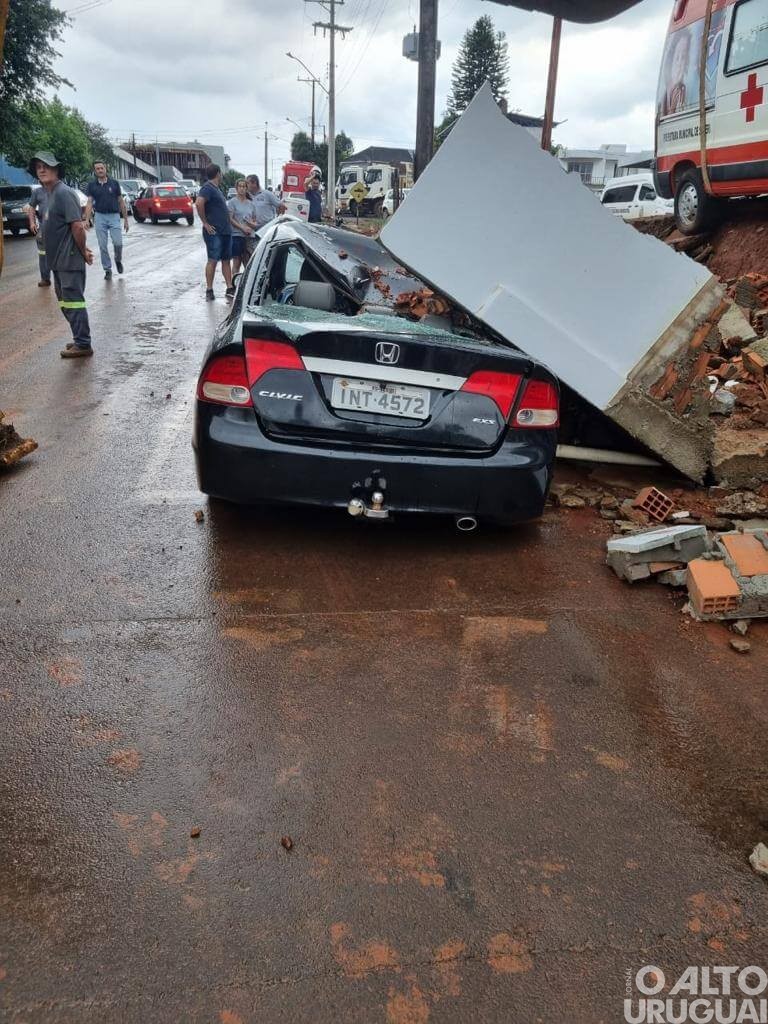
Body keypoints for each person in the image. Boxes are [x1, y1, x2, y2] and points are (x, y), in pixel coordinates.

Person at [28, 151, 95, 359]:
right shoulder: (48, 193)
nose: (42, 169)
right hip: (57, 260)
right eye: (39, 166)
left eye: (47, 166)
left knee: (73, 301)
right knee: (65, 301)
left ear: (57, 170)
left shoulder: (64, 192)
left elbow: (77, 226)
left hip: (69, 259)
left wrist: (83, 251)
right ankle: (79, 338)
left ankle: (83, 344)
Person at [84, 161, 129, 280]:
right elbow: (89, 203)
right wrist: (86, 219)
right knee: (102, 245)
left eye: (101, 168)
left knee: (118, 243)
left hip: (114, 216)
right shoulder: (92, 185)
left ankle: (118, 260)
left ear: (105, 169)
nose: (100, 170)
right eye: (97, 169)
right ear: (95, 171)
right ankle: (107, 269)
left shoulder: (114, 183)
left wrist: (125, 220)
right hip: (100, 217)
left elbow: (121, 201)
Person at [195, 164, 233, 301]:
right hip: (214, 232)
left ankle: (229, 287)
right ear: (218, 173)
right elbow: (199, 203)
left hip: (225, 231)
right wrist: (205, 223)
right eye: (221, 173)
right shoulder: (207, 188)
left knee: (226, 260)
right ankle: (209, 290)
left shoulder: (216, 189)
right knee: (212, 260)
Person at [227, 178, 258, 275]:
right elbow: (230, 219)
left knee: (249, 263)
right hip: (237, 235)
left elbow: (255, 221)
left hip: (249, 237)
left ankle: (246, 285)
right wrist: (242, 228)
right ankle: (234, 284)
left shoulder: (251, 204)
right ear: (236, 188)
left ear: (246, 188)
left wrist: (250, 225)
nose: (242, 188)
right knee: (237, 261)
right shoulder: (232, 202)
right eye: (240, 186)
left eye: (244, 186)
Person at [26, 175, 51, 287]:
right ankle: (45, 279)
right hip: (43, 227)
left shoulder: (59, 190)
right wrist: (32, 223)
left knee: (62, 253)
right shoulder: (37, 192)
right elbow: (32, 207)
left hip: (59, 227)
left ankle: (63, 278)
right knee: (43, 254)